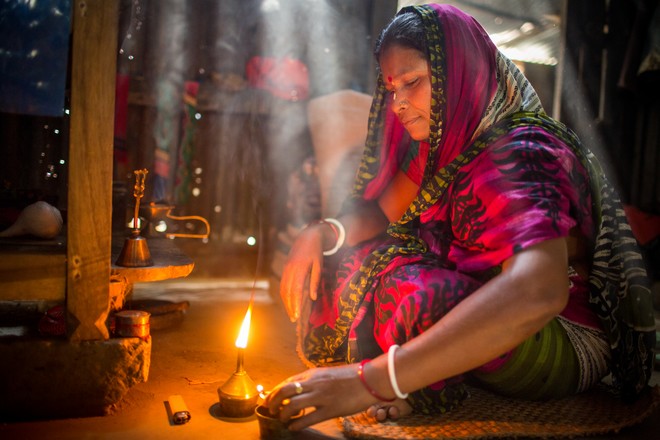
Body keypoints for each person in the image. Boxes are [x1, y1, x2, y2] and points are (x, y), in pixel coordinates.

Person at [264, 3, 656, 431]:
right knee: (354, 258)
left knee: (414, 289)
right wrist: (321, 234)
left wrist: (370, 382)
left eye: (412, 82)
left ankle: (419, 381)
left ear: (460, 72)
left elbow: (538, 293)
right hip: (494, 303)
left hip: (557, 337)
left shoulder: (522, 151)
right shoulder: (449, 146)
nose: (397, 104)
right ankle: (422, 366)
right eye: (391, 89)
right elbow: (381, 211)